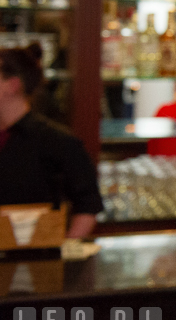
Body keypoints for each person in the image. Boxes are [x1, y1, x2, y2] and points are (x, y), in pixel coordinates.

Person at [0, 43, 102, 238]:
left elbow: (88, 206)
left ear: (12, 85)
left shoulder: (57, 142)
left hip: (36, 261)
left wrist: (63, 255)